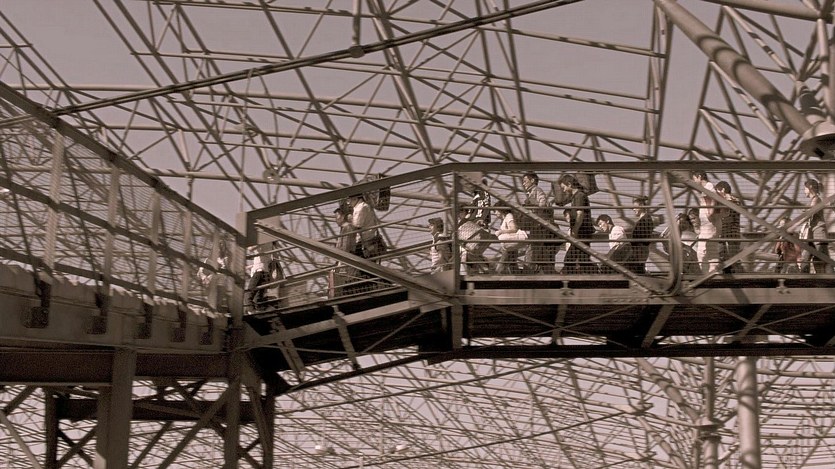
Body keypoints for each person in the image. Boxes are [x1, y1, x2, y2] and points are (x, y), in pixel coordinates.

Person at [521, 172, 557, 273]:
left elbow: (542, 202)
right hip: (537, 226)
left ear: (532, 180)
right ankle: (534, 269)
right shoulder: (532, 192)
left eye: (525, 181)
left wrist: (535, 209)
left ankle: (528, 271)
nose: (523, 184)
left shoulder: (537, 190)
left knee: (532, 250)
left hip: (539, 226)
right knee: (534, 250)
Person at [559, 174, 595, 274]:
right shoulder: (576, 197)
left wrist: (574, 230)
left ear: (569, 184)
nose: (564, 190)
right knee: (583, 259)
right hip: (582, 233)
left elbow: (580, 214)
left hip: (581, 233)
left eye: (564, 187)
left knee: (570, 259)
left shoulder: (579, 196)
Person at [691, 170, 723, 273]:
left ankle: (706, 272)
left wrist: (710, 212)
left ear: (699, 177)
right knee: (710, 249)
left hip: (709, 225)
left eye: (694, 179)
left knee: (702, 251)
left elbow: (713, 198)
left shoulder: (708, 187)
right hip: (710, 224)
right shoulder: (708, 187)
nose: (694, 181)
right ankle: (713, 270)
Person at [799, 179, 831, 274]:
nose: (804, 191)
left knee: (822, 259)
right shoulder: (813, 200)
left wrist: (796, 224)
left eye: (805, 188)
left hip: (818, 233)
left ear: (810, 187)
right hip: (811, 234)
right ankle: (803, 278)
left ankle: (829, 278)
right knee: (806, 259)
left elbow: (810, 214)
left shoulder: (816, 199)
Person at [715, 181, 744, 273]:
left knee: (730, 258)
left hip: (728, 233)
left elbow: (729, 218)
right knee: (731, 258)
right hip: (733, 233)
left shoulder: (730, 202)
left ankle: (736, 273)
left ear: (723, 190)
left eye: (717, 191)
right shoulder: (735, 201)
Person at [331, 205, 359, 296]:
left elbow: (346, 246)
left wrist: (341, 262)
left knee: (344, 282)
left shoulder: (347, 228)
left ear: (343, 216)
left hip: (346, 261)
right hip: (345, 260)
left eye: (337, 216)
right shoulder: (345, 228)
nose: (336, 219)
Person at [494, 201, 527, 274]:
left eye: (496, 210)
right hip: (511, 247)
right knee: (512, 267)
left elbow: (514, 229)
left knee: (500, 268)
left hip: (509, 248)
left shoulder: (509, 216)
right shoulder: (505, 218)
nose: (495, 213)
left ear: (500, 210)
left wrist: (501, 232)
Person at [627, 197, 655, 274]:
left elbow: (644, 237)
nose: (633, 209)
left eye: (635, 207)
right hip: (639, 250)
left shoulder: (645, 219)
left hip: (639, 250)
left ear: (641, 206)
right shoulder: (645, 219)